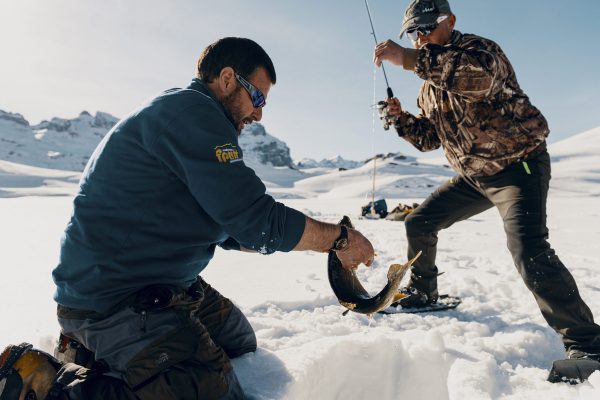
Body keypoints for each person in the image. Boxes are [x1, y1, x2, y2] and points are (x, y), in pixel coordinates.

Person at [0, 37, 374, 400]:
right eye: (257, 97)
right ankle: (45, 385)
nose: (259, 113)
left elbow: (230, 226)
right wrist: (337, 239)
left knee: (238, 341)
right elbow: (251, 217)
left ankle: (98, 356)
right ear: (227, 79)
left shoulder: (194, 119)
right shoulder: (192, 114)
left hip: (163, 283)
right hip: (112, 296)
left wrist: (302, 237)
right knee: (206, 388)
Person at [373, 0, 600, 361]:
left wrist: (408, 59)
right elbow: (430, 138)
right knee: (419, 222)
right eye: (413, 33)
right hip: (475, 177)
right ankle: (424, 292)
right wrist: (401, 120)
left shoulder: (479, 52)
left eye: (426, 27)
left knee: (528, 250)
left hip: (518, 167)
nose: (420, 38)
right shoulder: (428, 87)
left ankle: (588, 345)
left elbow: (475, 81)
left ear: (450, 21)